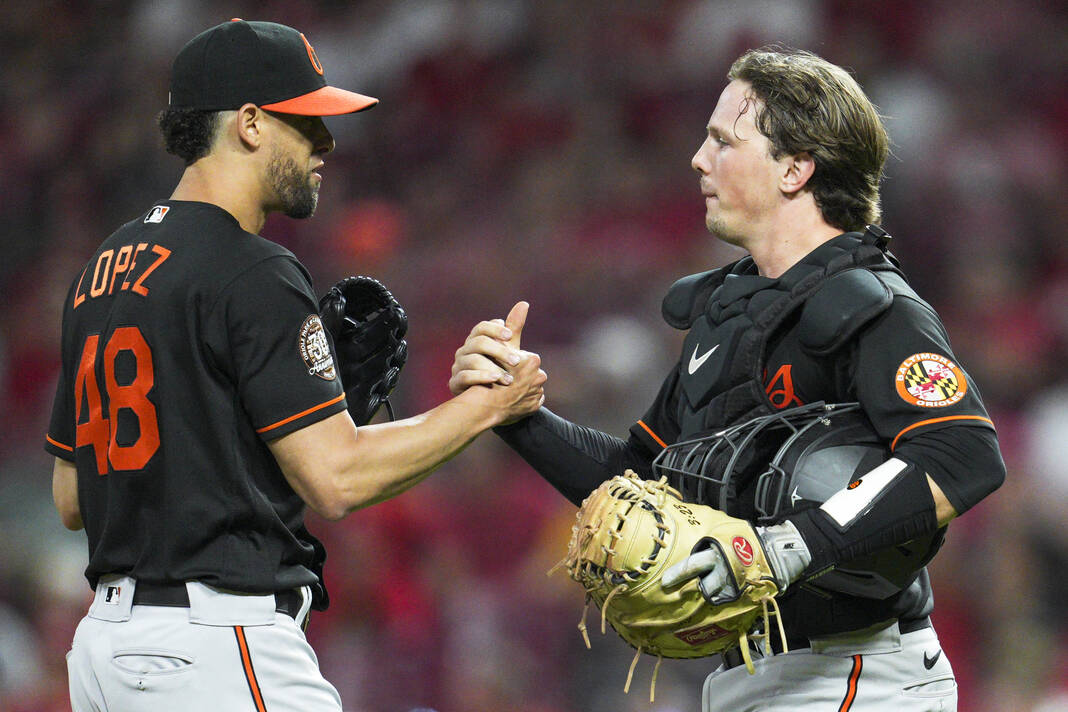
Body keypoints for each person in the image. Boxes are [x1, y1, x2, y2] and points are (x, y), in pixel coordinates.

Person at [451, 46, 1005, 711]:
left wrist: (786, 548)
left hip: (856, 672)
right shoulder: (727, 315)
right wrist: (516, 415)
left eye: (723, 141)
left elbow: (963, 454)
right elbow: (642, 482)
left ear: (796, 168)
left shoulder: (874, 306)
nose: (698, 158)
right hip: (745, 677)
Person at [45, 19, 545, 712]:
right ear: (249, 123)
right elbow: (335, 479)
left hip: (105, 652)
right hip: (217, 643)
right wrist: (486, 405)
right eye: (306, 122)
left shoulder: (99, 272)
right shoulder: (252, 268)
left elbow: (73, 500)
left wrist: (242, 435)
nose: (326, 144)